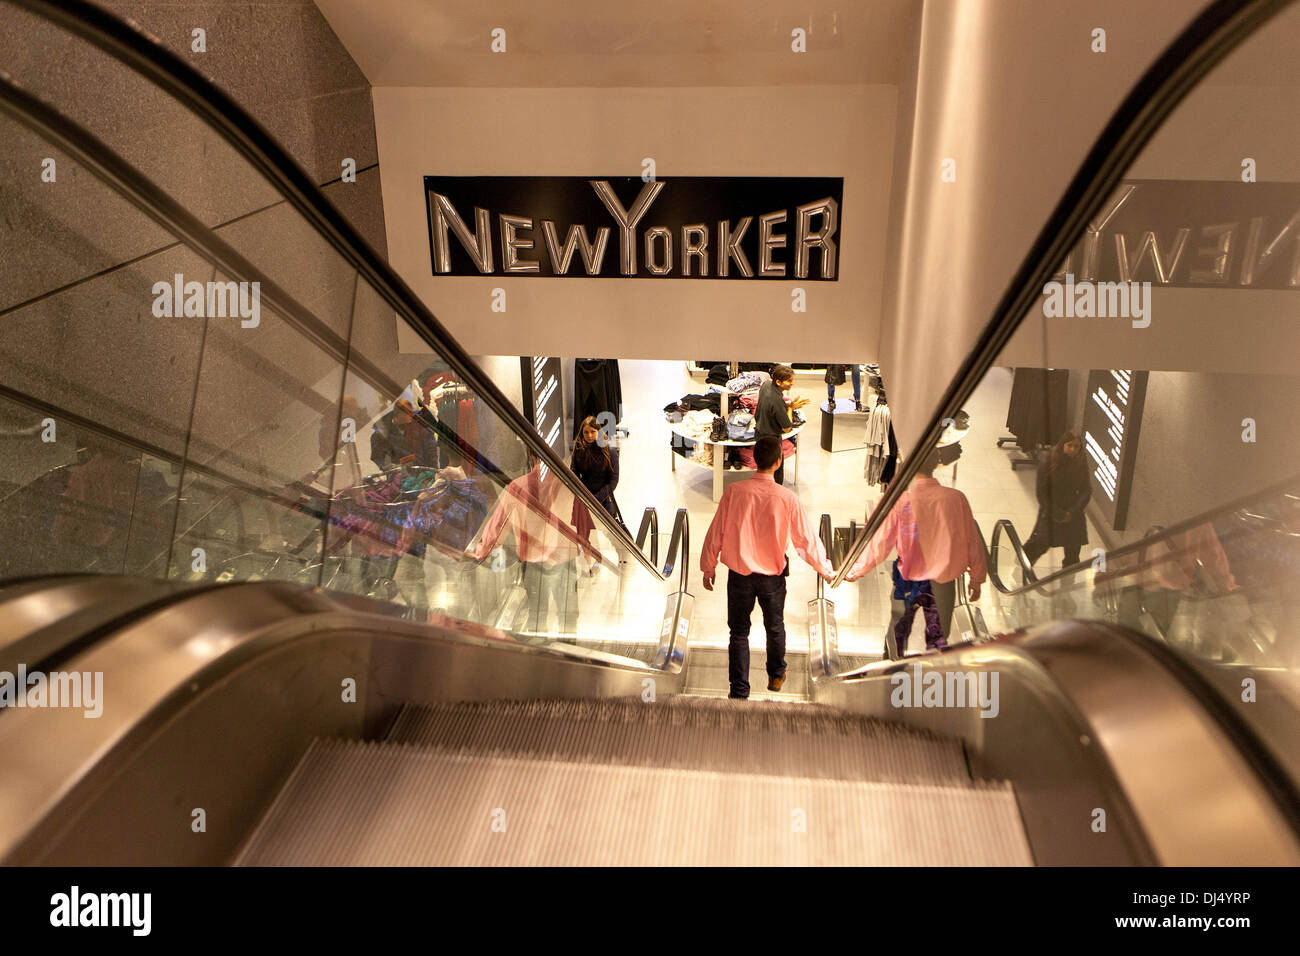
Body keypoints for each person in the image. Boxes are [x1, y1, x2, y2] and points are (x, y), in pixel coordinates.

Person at [700, 436, 834, 699]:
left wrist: (708, 566)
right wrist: (825, 569)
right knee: (775, 626)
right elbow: (805, 539)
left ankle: (739, 691)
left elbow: (716, 532)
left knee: (738, 632)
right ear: (778, 461)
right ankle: (776, 675)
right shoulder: (787, 498)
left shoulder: (734, 492)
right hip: (772, 578)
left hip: (739, 576)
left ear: (753, 460)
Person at [845, 447, 988, 655]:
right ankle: (933, 672)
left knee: (897, 633)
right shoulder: (956, 498)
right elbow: (972, 540)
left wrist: (856, 570)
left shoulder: (902, 501)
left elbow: (881, 542)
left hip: (908, 579)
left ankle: (892, 668)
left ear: (910, 468)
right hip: (943, 582)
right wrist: (976, 579)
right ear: (936, 464)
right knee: (938, 639)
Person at [1023, 429, 1090, 568]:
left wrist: (1072, 511)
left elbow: (1086, 489)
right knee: (1040, 544)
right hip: (1052, 512)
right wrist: (1057, 512)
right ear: (1063, 445)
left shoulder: (1081, 463)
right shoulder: (1048, 462)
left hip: (1073, 513)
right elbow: (1042, 493)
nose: (1073, 449)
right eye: (1069, 445)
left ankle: (1068, 579)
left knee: (1073, 552)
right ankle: (1022, 569)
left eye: (1076, 446)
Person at [755, 364, 807, 485]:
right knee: (776, 471)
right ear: (778, 382)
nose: (792, 383)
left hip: (759, 434)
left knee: (762, 468)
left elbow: (770, 407)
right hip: (771, 440)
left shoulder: (766, 384)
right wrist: (790, 408)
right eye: (789, 381)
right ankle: (775, 491)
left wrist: (787, 406)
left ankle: (763, 490)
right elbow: (787, 427)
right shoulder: (776, 400)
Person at [570, 414, 621, 523]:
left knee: (609, 528)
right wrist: (582, 494)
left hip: (604, 499)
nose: (589, 435)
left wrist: (597, 498)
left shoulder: (609, 449)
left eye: (592, 432)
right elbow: (574, 472)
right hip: (584, 497)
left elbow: (613, 480)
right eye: (586, 432)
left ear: (598, 431)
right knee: (582, 529)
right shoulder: (579, 448)